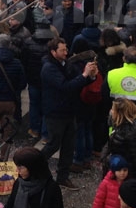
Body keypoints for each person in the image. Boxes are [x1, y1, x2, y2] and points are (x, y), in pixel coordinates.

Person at [40, 37, 97, 190]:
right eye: (63, 50)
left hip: (69, 111)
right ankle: (34, 167)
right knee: (53, 144)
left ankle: (62, 177)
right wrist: (84, 75)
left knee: (68, 146)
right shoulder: (49, 68)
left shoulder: (64, 63)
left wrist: (91, 76)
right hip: (55, 112)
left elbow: (76, 81)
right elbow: (66, 86)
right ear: (53, 52)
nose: (66, 52)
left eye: (66, 49)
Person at [104, 98, 136, 183]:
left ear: (120, 113)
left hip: (126, 176)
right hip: (118, 172)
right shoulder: (119, 127)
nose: (111, 111)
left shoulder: (131, 134)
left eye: (113, 109)